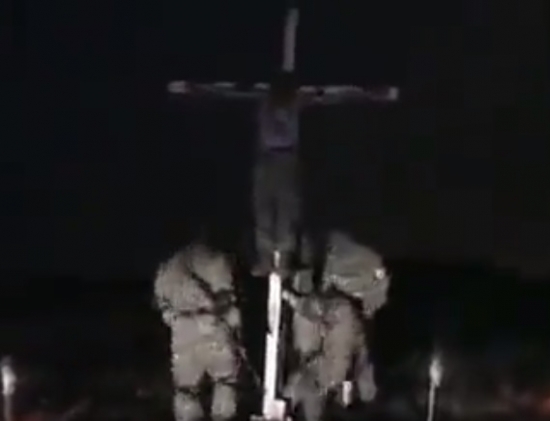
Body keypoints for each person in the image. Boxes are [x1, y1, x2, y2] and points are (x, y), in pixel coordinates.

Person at [153, 243, 244, 421]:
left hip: (183, 332)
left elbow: (159, 301)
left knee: (185, 391)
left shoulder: (167, 267)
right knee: (225, 383)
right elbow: (227, 299)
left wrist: (176, 317)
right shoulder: (217, 259)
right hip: (213, 329)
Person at [251, 70, 309, 278]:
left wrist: (371, 94)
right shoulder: (264, 100)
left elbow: (336, 95)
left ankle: (284, 260)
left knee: (287, 211)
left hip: (286, 160)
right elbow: (227, 91)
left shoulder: (297, 101)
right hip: (266, 159)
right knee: (263, 210)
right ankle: (265, 259)